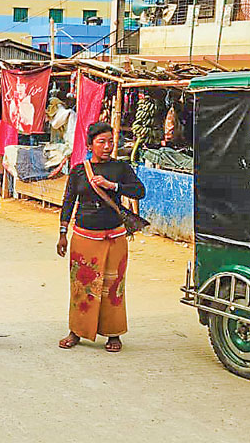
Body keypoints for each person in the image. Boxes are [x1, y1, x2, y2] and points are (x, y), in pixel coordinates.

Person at [57, 121, 146, 353]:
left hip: (114, 238)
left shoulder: (121, 169)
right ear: (90, 145)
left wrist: (113, 185)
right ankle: (77, 331)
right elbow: (68, 202)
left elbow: (140, 191)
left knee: (112, 287)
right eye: (101, 142)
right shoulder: (78, 171)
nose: (107, 146)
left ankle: (113, 334)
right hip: (84, 238)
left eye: (110, 141)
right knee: (81, 287)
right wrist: (63, 233)